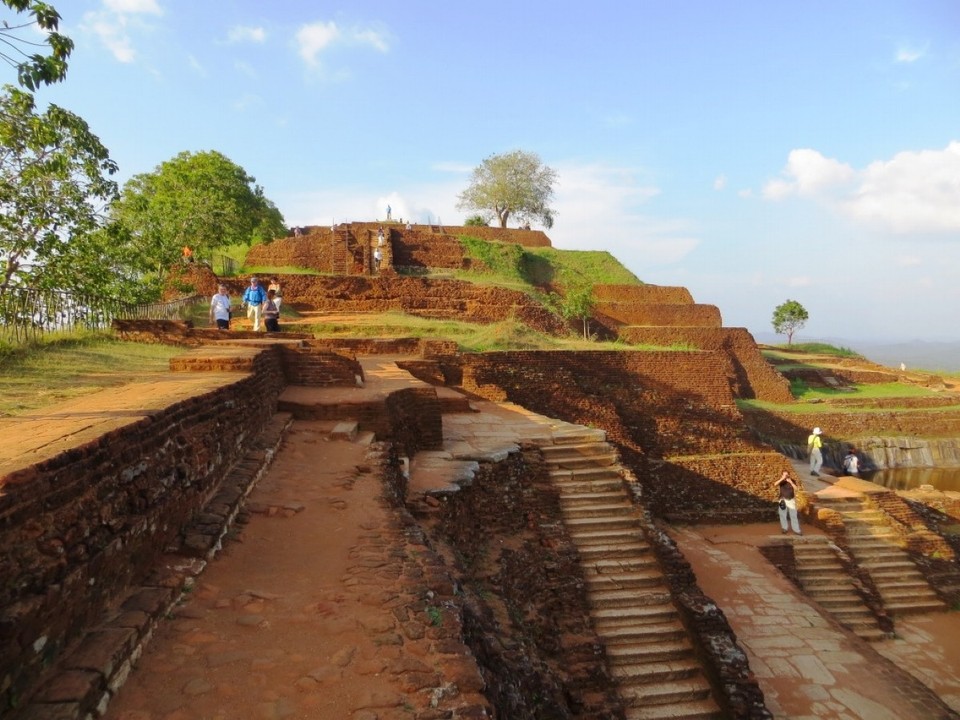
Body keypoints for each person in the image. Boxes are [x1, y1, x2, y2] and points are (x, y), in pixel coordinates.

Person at [774, 471, 802, 535]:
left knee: (793, 515)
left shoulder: (792, 481)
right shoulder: (781, 482)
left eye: (787, 475)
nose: (786, 476)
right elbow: (775, 484)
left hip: (791, 500)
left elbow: (796, 489)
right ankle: (784, 528)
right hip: (782, 500)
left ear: (789, 475)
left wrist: (791, 482)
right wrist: (782, 479)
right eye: (784, 475)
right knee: (782, 515)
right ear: (782, 475)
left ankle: (796, 530)